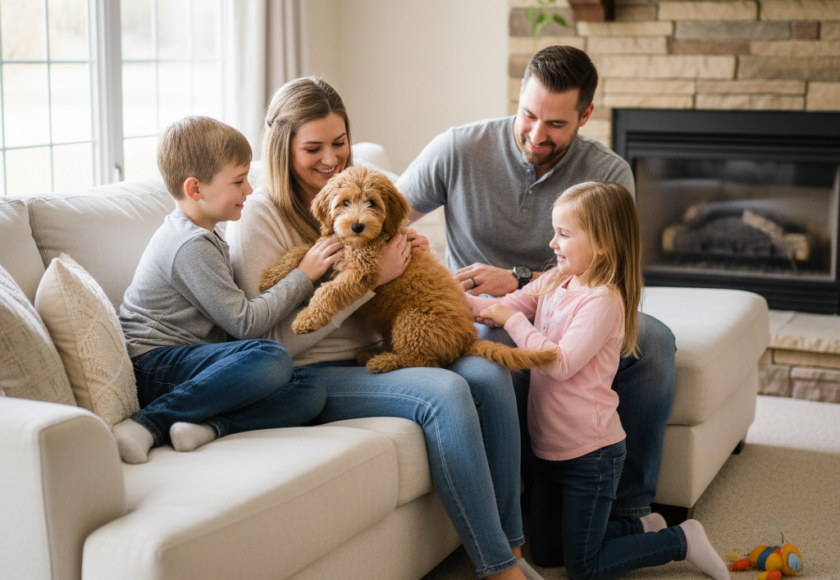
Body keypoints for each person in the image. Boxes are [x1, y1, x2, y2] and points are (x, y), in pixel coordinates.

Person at [226, 77, 543, 580]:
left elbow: (399, 263)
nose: (331, 159)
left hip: (377, 343)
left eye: (339, 142)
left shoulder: (361, 191)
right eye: (313, 148)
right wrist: (374, 282)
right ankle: (500, 572)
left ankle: (515, 551)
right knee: (446, 393)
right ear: (282, 148)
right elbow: (266, 344)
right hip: (310, 369)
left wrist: (408, 260)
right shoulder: (259, 216)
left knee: (490, 377)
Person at [397, 44, 677, 520]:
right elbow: (387, 217)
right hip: (485, 313)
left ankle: (630, 511)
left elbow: (619, 269)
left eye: (555, 124)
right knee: (505, 358)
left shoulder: (608, 173)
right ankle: (535, 507)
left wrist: (519, 278)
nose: (535, 134)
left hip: (575, 301)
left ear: (585, 114)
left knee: (655, 344)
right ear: (520, 97)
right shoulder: (458, 148)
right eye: (528, 115)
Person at [467, 182, 729, 580]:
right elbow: (499, 309)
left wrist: (514, 321)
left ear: (603, 243)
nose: (552, 242)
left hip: (591, 456)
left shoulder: (604, 300)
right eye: (554, 231)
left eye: (564, 234)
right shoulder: (557, 279)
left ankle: (681, 540)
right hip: (548, 449)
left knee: (584, 569)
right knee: (549, 552)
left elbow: (560, 362)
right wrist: (448, 295)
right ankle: (640, 527)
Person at [114, 116, 328, 465]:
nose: (250, 190)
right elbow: (244, 324)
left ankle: (208, 427)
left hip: (192, 363)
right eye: (239, 181)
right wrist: (303, 276)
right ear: (195, 189)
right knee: (271, 356)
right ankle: (148, 423)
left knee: (309, 387)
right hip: (154, 365)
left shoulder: (207, 232)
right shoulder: (189, 244)